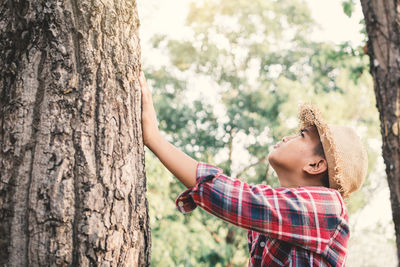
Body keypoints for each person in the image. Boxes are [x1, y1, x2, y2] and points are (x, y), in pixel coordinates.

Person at [139, 72, 368, 266]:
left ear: (316, 165)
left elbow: (237, 198)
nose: (287, 137)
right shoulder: (278, 216)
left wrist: (155, 140)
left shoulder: (328, 205)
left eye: (301, 135)